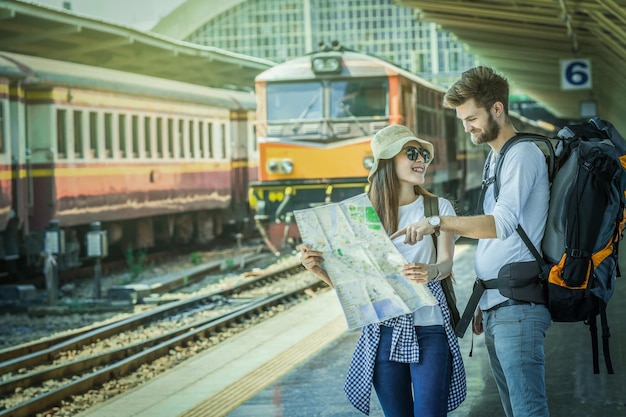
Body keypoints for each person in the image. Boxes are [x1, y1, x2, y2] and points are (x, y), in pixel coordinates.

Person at [390, 66, 552, 417]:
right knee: (515, 409)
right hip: (499, 303)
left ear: (497, 109)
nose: (467, 127)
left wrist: (438, 221)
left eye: (472, 117)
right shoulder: (496, 157)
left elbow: (502, 225)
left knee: (528, 409)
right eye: (462, 120)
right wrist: (485, 295)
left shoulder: (521, 155)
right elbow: (493, 236)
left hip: (519, 308)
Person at [300, 124, 466, 417]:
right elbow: (359, 287)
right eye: (411, 153)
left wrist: (431, 271)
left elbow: (446, 264)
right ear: (388, 162)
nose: (421, 160)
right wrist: (320, 271)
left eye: (423, 155)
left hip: (430, 329)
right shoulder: (361, 217)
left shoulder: (437, 208)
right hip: (382, 332)